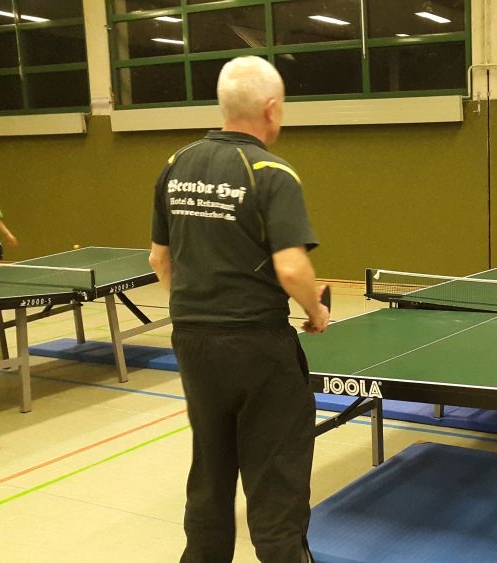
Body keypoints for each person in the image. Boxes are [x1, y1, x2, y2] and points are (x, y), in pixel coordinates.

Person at [149, 56, 330, 563]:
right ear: (271, 109)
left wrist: (199, 310)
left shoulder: (176, 164)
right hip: (258, 345)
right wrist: (315, 311)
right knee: (276, 479)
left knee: (210, 470)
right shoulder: (272, 172)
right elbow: (291, 268)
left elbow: (159, 259)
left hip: (193, 342)